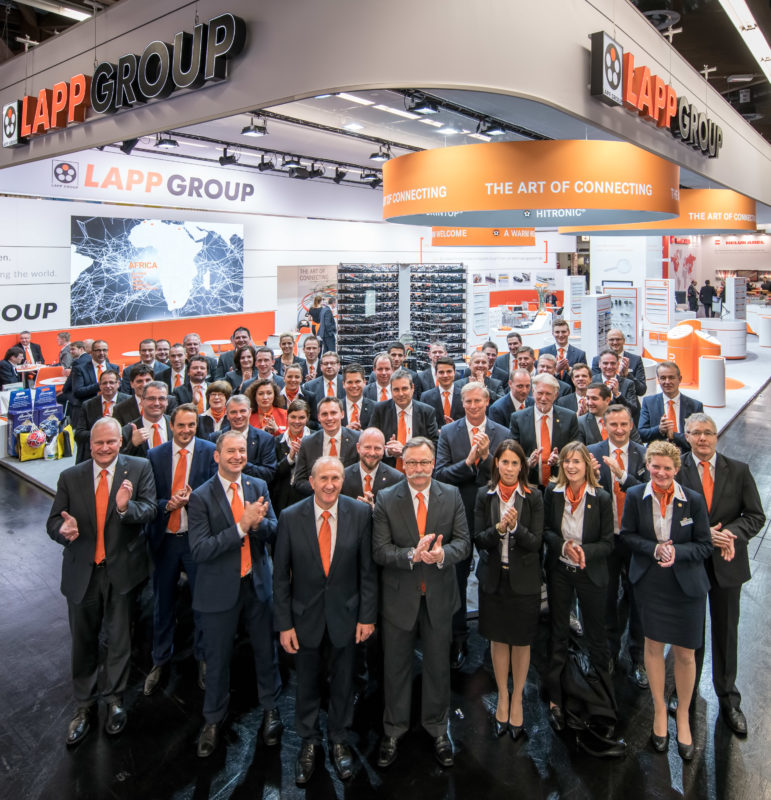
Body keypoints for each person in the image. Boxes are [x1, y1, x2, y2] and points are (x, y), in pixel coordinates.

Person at [46, 416, 156, 745]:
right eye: (98, 443)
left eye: (110, 442)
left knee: (120, 639)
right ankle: (84, 706)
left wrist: (125, 509)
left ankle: (114, 700)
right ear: (90, 445)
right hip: (83, 572)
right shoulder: (70, 476)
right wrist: (62, 532)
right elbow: (53, 521)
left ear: (120, 442)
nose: (105, 448)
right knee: (83, 642)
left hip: (122, 572)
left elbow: (150, 509)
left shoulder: (139, 468)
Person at [274, 457, 377, 784]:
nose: (330, 484)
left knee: (344, 682)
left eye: (336, 478)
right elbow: (280, 577)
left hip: (347, 616)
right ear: (313, 481)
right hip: (304, 618)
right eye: (324, 479)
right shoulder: (290, 517)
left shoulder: (360, 514)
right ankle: (308, 740)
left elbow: (367, 572)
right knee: (305, 683)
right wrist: (284, 623)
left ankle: (338, 739)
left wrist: (366, 616)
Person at [373, 437, 471, 769]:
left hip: (440, 597)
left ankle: (437, 728)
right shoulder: (386, 499)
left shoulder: (452, 495)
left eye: (424, 463)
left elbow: (464, 543)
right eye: (412, 463)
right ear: (403, 464)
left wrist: (443, 554)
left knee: (437, 668)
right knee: (396, 668)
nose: (418, 469)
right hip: (400, 599)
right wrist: (409, 556)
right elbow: (380, 551)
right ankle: (393, 729)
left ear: (433, 464)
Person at [187, 430, 283, 757]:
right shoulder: (200, 496)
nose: (237, 456)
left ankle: (271, 708)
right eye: (231, 451)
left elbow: (274, 532)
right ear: (217, 456)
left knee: (266, 652)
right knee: (216, 658)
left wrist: (258, 526)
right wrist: (241, 527)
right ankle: (213, 719)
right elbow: (200, 550)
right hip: (218, 591)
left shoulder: (258, 486)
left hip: (257, 586)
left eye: (242, 451)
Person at [620, 440, 712, 761]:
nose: (660, 473)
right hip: (650, 583)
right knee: (653, 646)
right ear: (647, 466)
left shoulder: (694, 502)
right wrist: (654, 548)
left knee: (686, 654)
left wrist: (678, 552)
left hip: (686, 586)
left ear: (676, 470)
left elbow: (704, 545)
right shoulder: (635, 496)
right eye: (655, 466)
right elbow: (628, 535)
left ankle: (683, 715)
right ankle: (660, 711)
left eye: (667, 468)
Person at [677, 413, 765, 735]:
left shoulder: (738, 470)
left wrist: (729, 533)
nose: (703, 438)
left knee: (726, 634)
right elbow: (671, 518)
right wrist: (704, 534)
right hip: (691, 566)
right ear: (686, 436)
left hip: (728, 566)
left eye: (708, 433)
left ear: (717, 436)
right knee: (690, 635)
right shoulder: (676, 470)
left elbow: (755, 516)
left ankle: (728, 699)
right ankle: (685, 694)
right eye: (696, 433)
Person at [435, 382, 511, 668]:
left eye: (478, 401)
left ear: (488, 400)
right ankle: (458, 638)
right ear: (461, 403)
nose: (473, 406)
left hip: (493, 517)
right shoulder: (448, 433)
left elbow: (508, 474)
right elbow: (440, 475)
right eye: (468, 402)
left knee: (494, 578)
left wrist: (488, 456)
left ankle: (495, 637)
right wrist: (468, 462)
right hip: (459, 516)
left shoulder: (502, 433)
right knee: (456, 579)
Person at [542, 442, 615, 736]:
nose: (571, 467)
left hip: (590, 572)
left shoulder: (602, 498)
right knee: (559, 633)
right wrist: (563, 546)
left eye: (577, 462)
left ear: (587, 465)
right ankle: (555, 700)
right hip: (560, 571)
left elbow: (609, 542)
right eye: (567, 462)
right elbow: (546, 531)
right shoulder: (552, 493)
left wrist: (584, 551)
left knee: (597, 637)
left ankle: (603, 703)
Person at [144, 404, 217, 696]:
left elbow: (215, 494)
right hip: (166, 539)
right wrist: (168, 506)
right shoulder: (155, 455)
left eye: (191, 425)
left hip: (195, 539)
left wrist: (193, 501)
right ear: (171, 426)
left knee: (202, 603)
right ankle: (160, 659)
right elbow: (149, 499)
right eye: (181, 425)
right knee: (163, 604)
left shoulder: (209, 451)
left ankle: (202, 658)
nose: (186, 430)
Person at [474, 440, 543, 739]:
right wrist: (500, 529)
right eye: (505, 462)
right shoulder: (484, 496)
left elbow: (536, 543)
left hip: (524, 582)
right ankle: (503, 694)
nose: (510, 468)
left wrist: (515, 528)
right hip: (494, 579)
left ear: (522, 467)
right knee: (499, 640)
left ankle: (517, 701)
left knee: (521, 641)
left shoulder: (534, 496)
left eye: (516, 463)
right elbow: (479, 539)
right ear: (496, 464)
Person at [587, 404, 649, 689]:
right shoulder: (591, 452)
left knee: (639, 600)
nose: (620, 430)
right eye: (614, 425)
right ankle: (608, 653)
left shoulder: (644, 453)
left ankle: (638, 658)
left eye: (624, 424)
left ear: (631, 423)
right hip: (607, 538)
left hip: (637, 540)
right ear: (605, 425)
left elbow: (649, 495)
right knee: (607, 599)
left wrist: (623, 476)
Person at [509, 373, 580, 488]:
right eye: (540, 393)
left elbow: (577, 452)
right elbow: (512, 451)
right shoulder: (518, 418)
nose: (543, 398)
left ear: (556, 395)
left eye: (548, 394)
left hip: (560, 484)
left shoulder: (569, 418)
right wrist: (527, 461)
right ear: (533, 392)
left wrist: (560, 460)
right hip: (529, 484)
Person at [369, 368, 439, 470]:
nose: (401, 394)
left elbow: (435, 446)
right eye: (396, 390)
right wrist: (388, 451)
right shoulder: (380, 410)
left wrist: (406, 451)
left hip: (419, 470)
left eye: (404, 388)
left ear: (412, 388)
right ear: (391, 390)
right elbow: (371, 444)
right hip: (388, 472)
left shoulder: (427, 412)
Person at [293, 396, 360, 496]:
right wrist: (321, 491)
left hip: (349, 500)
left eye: (333, 413)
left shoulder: (357, 439)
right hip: (317, 501)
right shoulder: (308, 443)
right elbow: (299, 481)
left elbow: (360, 476)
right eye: (324, 414)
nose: (329, 418)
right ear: (319, 417)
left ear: (342, 414)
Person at [212, 394, 277, 484]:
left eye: (242, 411)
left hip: (254, 494)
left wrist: (240, 462)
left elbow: (269, 474)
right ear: (226, 414)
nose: (238, 416)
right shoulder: (215, 438)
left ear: (250, 412)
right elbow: (210, 471)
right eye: (233, 412)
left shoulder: (265, 439)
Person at [639, 361, 703, 451]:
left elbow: (698, 439)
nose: (667, 382)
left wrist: (673, 435)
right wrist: (659, 430)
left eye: (671, 377)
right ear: (658, 380)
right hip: (657, 456)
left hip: (684, 456)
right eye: (663, 378)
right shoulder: (649, 403)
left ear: (680, 379)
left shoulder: (695, 406)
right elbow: (641, 435)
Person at [74, 369, 128, 463]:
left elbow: (131, 430)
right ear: (99, 385)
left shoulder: (128, 402)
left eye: (111, 382)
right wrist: (99, 435)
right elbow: (79, 434)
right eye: (104, 383)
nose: (108, 386)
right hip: (95, 454)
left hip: (123, 452)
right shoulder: (88, 405)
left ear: (118, 384)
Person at [341, 426, 403, 504]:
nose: (372, 453)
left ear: (384, 450)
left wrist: (375, 509)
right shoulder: (343, 477)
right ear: (358, 448)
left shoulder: (396, 479)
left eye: (377, 448)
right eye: (367, 447)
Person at [271, 398, 312, 515]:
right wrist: (290, 457)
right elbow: (274, 473)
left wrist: (304, 454)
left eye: (301, 417)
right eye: (293, 417)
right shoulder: (277, 441)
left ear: (308, 418)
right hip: (283, 499)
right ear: (287, 417)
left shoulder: (316, 438)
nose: (297, 421)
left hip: (308, 496)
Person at [120, 381, 172, 457]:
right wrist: (133, 445)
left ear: (167, 401)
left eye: (161, 398)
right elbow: (120, 462)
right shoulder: (127, 431)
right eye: (151, 398)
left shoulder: (177, 425)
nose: (156, 403)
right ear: (142, 401)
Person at [591, 330, 646, 397]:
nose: (615, 342)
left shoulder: (635, 360)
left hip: (628, 403)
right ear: (607, 341)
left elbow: (642, 390)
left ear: (624, 340)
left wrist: (627, 375)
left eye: (618, 339)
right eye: (611, 339)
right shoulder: (597, 360)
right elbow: (594, 385)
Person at [419, 356, 464, 429]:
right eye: (441, 372)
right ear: (436, 374)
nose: (445, 375)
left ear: (454, 373)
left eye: (449, 371)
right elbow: (423, 424)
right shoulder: (426, 397)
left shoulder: (464, 395)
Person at [595, 349, 639, 423]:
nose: (609, 367)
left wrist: (617, 394)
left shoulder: (628, 384)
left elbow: (633, 410)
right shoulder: (592, 381)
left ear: (618, 364)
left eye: (613, 363)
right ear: (599, 364)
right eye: (605, 363)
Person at [538, 319, 587, 385]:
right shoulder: (544, 352)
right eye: (557, 332)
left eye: (563, 332)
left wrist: (569, 370)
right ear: (553, 333)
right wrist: (556, 370)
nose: (560, 335)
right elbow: (540, 377)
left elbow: (584, 376)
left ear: (568, 332)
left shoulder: (580, 354)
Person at [340, 363, 374, 429]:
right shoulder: (336, 407)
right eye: (350, 382)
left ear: (364, 382)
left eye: (357, 381)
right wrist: (345, 431)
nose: (354, 386)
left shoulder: (375, 408)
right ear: (343, 384)